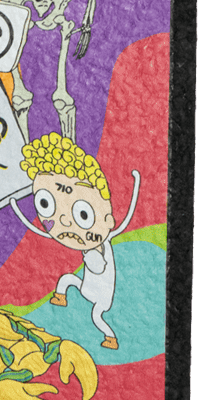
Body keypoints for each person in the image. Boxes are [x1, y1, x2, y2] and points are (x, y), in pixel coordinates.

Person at [10, 133, 140, 349]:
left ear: (108, 220)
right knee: (68, 279)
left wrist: (92, 258)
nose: (64, 222)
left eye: (83, 214)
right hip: (86, 286)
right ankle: (60, 296)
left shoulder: (98, 246)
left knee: (97, 316)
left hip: (101, 296)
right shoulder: (89, 243)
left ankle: (111, 337)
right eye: (45, 203)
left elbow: (99, 266)